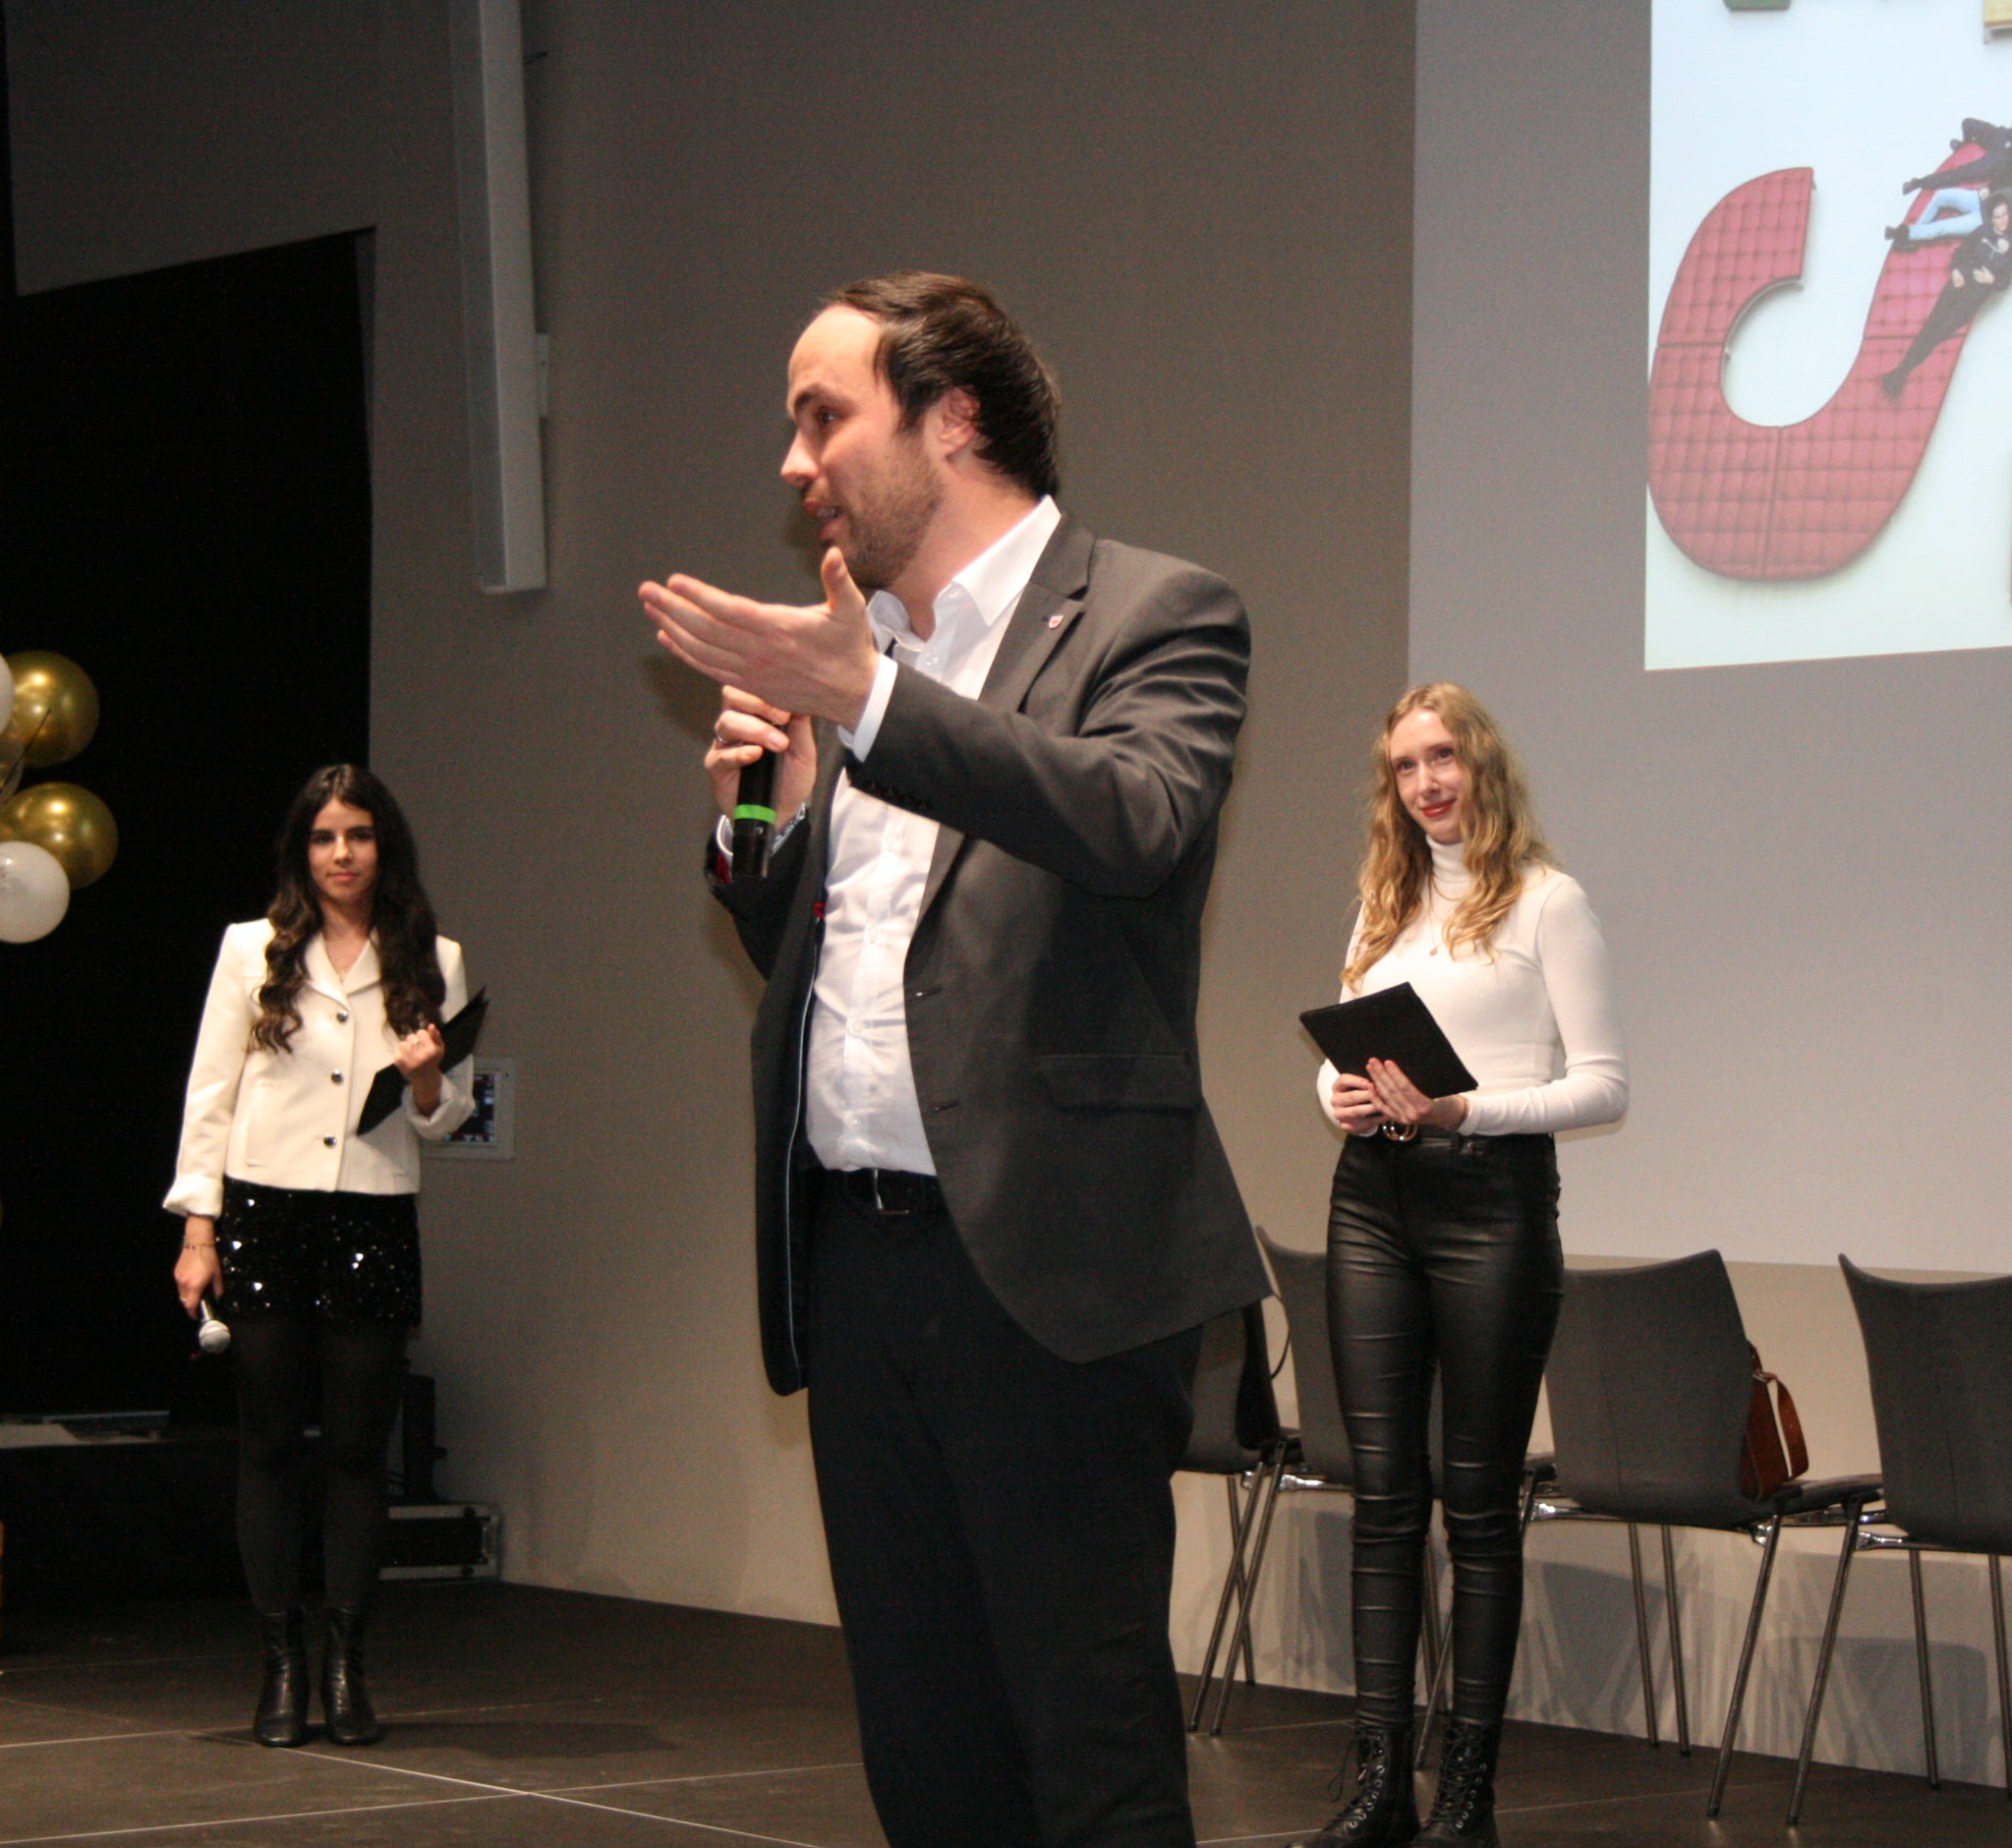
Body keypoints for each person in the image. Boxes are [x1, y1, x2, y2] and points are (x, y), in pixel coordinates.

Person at [640, 272, 1266, 1848]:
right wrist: (770, 821)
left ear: (953, 418)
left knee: (1088, 1749)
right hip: (860, 1269)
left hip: (1048, 1269)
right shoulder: (865, 655)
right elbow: (845, 959)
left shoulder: (1152, 613)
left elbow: (1134, 822)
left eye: (823, 417)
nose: (795, 464)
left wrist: (868, 701)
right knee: (925, 1752)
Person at [1304, 685, 1626, 1848]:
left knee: (1477, 1506)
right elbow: (1338, 1055)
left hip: (1490, 1203)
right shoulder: (1381, 900)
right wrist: (1339, 1095)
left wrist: (1462, 1108)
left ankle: (1467, 1797)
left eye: (1441, 756)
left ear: (1481, 763)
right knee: (1382, 1500)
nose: (1425, 782)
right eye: (1404, 765)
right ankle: (1378, 1786)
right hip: (1372, 1198)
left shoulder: (1548, 901)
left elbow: (1602, 1085)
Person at [168, 764, 474, 1749]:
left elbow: (448, 1116)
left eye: (360, 835)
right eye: (324, 836)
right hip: (266, 1208)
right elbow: (211, 1090)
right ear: (302, 850)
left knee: (355, 1448)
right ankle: (280, 1659)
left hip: (372, 1214)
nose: (343, 854)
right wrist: (198, 1228)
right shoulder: (251, 947)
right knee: (267, 1439)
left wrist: (427, 1081)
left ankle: (345, 1659)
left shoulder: (433, 955)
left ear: (387, 846)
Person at [1880, 191, 2012, 396]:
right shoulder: (1982, 231)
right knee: (1930, 328)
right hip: (1957, 285)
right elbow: (1961, 252)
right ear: (1991, 217)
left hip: (1973, 298)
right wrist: (1956, 270)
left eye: (2005, 215)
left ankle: (1899, 374)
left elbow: (2006, 280)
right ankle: (1898, 375)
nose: (2002, 220)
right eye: (1997, 216)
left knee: (1938, 335)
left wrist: (1992, 280)